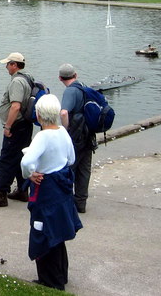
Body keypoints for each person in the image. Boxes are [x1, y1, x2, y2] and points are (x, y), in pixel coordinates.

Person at [21, 94, 82, 291]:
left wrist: (29, 174)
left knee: (43, 229)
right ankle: (60, 274)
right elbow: (71, 159)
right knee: (59, 229)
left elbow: (26, 161)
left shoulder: (42, 136)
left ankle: (50, 279)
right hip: (62, 187)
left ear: (38, 115)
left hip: (46, 189)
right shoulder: (63, 132)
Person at [0, 52, 33, 208]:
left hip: (16, 126)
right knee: (20, 157)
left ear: (14, 65)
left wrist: (8, 126)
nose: (6, 67)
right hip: (25, 125)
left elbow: (16, 106)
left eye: (8, 64)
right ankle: (23, 190)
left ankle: (1, 194)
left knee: (5, 159)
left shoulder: (17, 81)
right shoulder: (27, 78)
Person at [58, 63, 96, 213]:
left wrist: (65, 129)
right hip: (88, 133)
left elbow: (63, 113)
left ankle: (66, 202)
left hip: (76, 135)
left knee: (69, 168)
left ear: (60, 78)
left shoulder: (70, 91)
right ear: (76, 75)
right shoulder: (83, 87)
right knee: (84, 169)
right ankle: (81, 202)